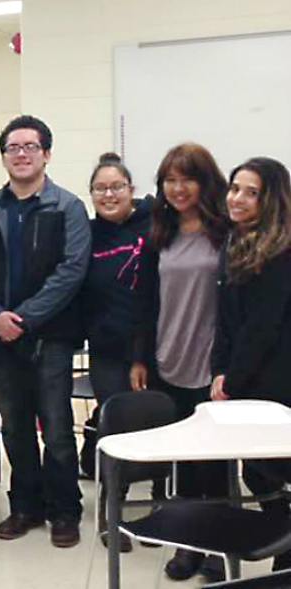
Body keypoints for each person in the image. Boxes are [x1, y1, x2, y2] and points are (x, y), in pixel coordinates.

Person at [0, 115, 91, 549]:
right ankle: (25, 506)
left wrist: (25, 319)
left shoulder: (67, 207)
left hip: (49, 337)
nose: (21, 154)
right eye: (13, 148)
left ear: (46, 154)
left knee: (55, 428)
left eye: (29, 147)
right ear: (3, 157)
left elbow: (71, 271)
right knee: (14, 427)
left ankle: (65, 510)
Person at [131, 143, 229, 582]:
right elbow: (144, 301)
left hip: (213, 364)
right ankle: (189, 545)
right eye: (169, 180)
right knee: (183, 463)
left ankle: (218, 548)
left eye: (186, 178)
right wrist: (141, 356)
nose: (177, 188)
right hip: (168, 357)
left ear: (205, 182)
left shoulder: (227, 232)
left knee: (217, 463)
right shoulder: (159, 234)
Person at [211, 157, 291, 573]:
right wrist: (220, 370)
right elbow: (226, 320)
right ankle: (283, 540)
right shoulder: (235, 240)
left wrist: (232, 379)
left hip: (275, 381)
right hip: (245, 377)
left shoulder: (281, 249)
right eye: (234, 188)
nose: (237, 198)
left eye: (251, 192)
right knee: (258, 472)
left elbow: (263, 326)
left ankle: (285, 547)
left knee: (273, 467)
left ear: (271, 199)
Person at [79, 153, 153, 551]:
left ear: (131, 191)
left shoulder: (155, 226)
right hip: (106, 348)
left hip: (153, 348)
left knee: (160, 428)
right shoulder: (87, 234)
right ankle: (112, 512)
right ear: (91, 194)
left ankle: (162, 508)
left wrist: (142, 352)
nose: (109, 194)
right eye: (100, 188)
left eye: (116, 187)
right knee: (115, 427)